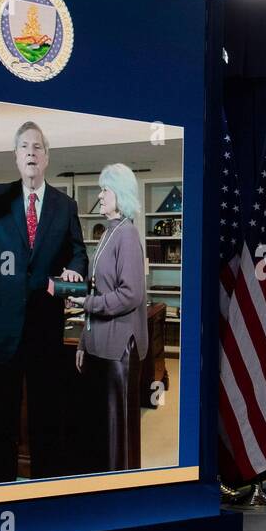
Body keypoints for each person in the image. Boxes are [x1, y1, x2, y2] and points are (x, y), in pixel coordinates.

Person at [0, 122, 87, 483]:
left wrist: (73, 270)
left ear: (47, 156)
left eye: (38, 147)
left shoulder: (65, 205)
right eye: (24, 147)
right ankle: (0, 493)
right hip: (1, 331)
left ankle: (44, 495)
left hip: (44, 328)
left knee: (46, 418)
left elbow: (78, 253)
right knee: (0, 421)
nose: (31, 153)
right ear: (15, 156)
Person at [73, 163, 147, 472]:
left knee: (120, 428)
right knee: (102, 428)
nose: (100, 196)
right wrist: (82, 341)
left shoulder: (127, 233)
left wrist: (88, 304)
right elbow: (98, 288)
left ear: (120, 193)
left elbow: (130, 294)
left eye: (105, 189)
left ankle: (121, 492)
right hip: (100, 343)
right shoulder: (109, 232)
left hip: (120, 350)